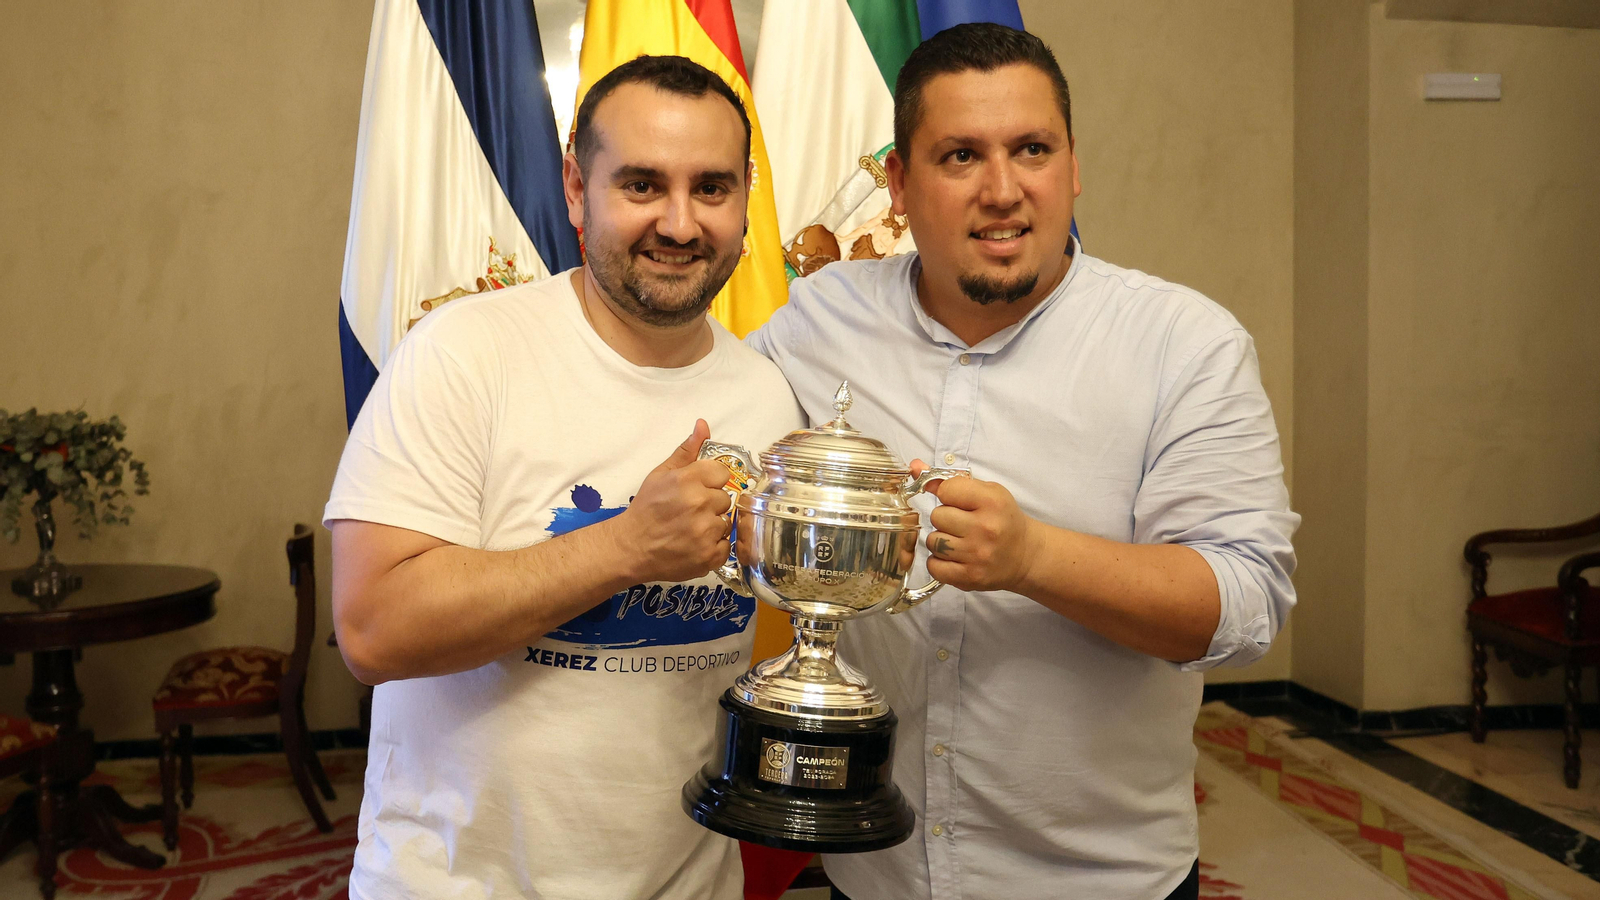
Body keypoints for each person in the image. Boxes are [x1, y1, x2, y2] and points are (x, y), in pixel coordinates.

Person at [748, 23, 1299, 900]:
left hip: (1103, 882)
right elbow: (702, 430)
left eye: (1032, 149)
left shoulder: (1185, 346)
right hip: (876, 874)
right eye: (960, 155)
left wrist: (1035, 558)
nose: (1003, 191)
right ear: (898, 184)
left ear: (1073, 166)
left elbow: (1245, 605)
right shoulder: (819, 322)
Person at [324, 55, 802, 900]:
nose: (681, 224)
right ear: (579, 190)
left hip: (688, 882)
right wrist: (626, 546)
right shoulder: (465, 355)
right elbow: (372, 631)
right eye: (644, 185)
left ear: (745, 202)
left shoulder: (767, 397)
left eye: (713, 188)